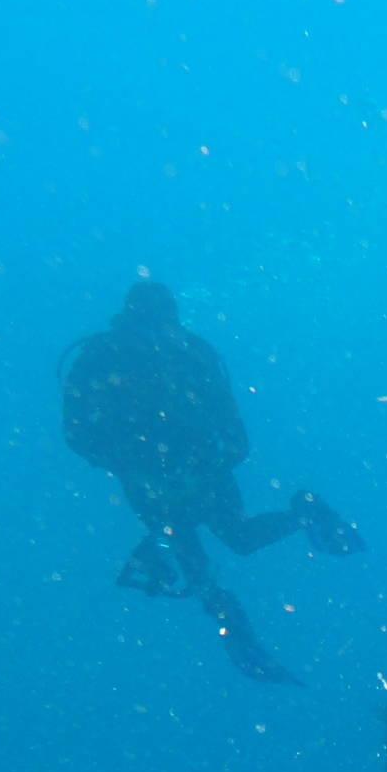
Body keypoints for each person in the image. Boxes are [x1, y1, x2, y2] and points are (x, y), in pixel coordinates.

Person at [60, 280, 361, 682]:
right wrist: (213, 459)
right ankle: (302, 515)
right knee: (239, 538)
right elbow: (234, 431)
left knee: (194, 561)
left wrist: (125, 460)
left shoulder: (101, 357)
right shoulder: (189, 352)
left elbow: (78, 433)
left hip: (154, 481)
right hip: (200, 471)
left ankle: (229, 618)